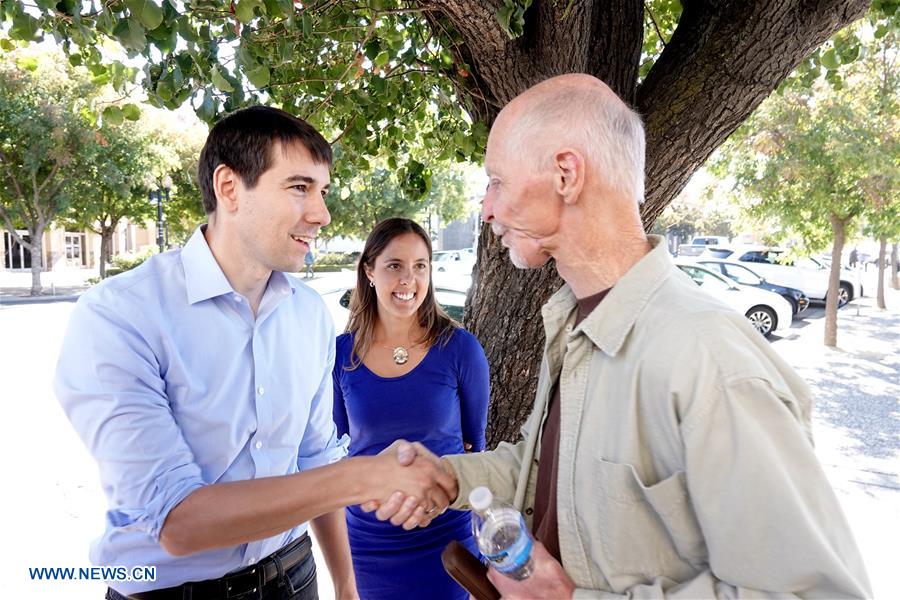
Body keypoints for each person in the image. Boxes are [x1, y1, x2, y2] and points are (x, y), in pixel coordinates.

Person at [371, 74, 872, 598]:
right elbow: (546, 469)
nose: (487, 208)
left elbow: (814, 591)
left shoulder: (707, 357)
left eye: (496, 180)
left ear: (566, 174)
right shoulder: (576, 321)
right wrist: (448, 476)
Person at [54, 106, 455, 600]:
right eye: (299, 188)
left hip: (294, 576)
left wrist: (347, 587)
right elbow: (178, 523)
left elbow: (315, 457)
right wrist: (366, 475)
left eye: (322, 191)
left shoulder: (307, 313)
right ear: (229, 189)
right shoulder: (120, 315)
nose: (322, 214)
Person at [332, 217, 490, 600]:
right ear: (369, 271)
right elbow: (333, 455)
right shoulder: (340, 355)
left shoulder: (460, 349)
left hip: (445, 537)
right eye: (394, 266)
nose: (408, 280)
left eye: (420, 266)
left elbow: (476, 448)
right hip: (369, 545)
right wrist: (341, 582)